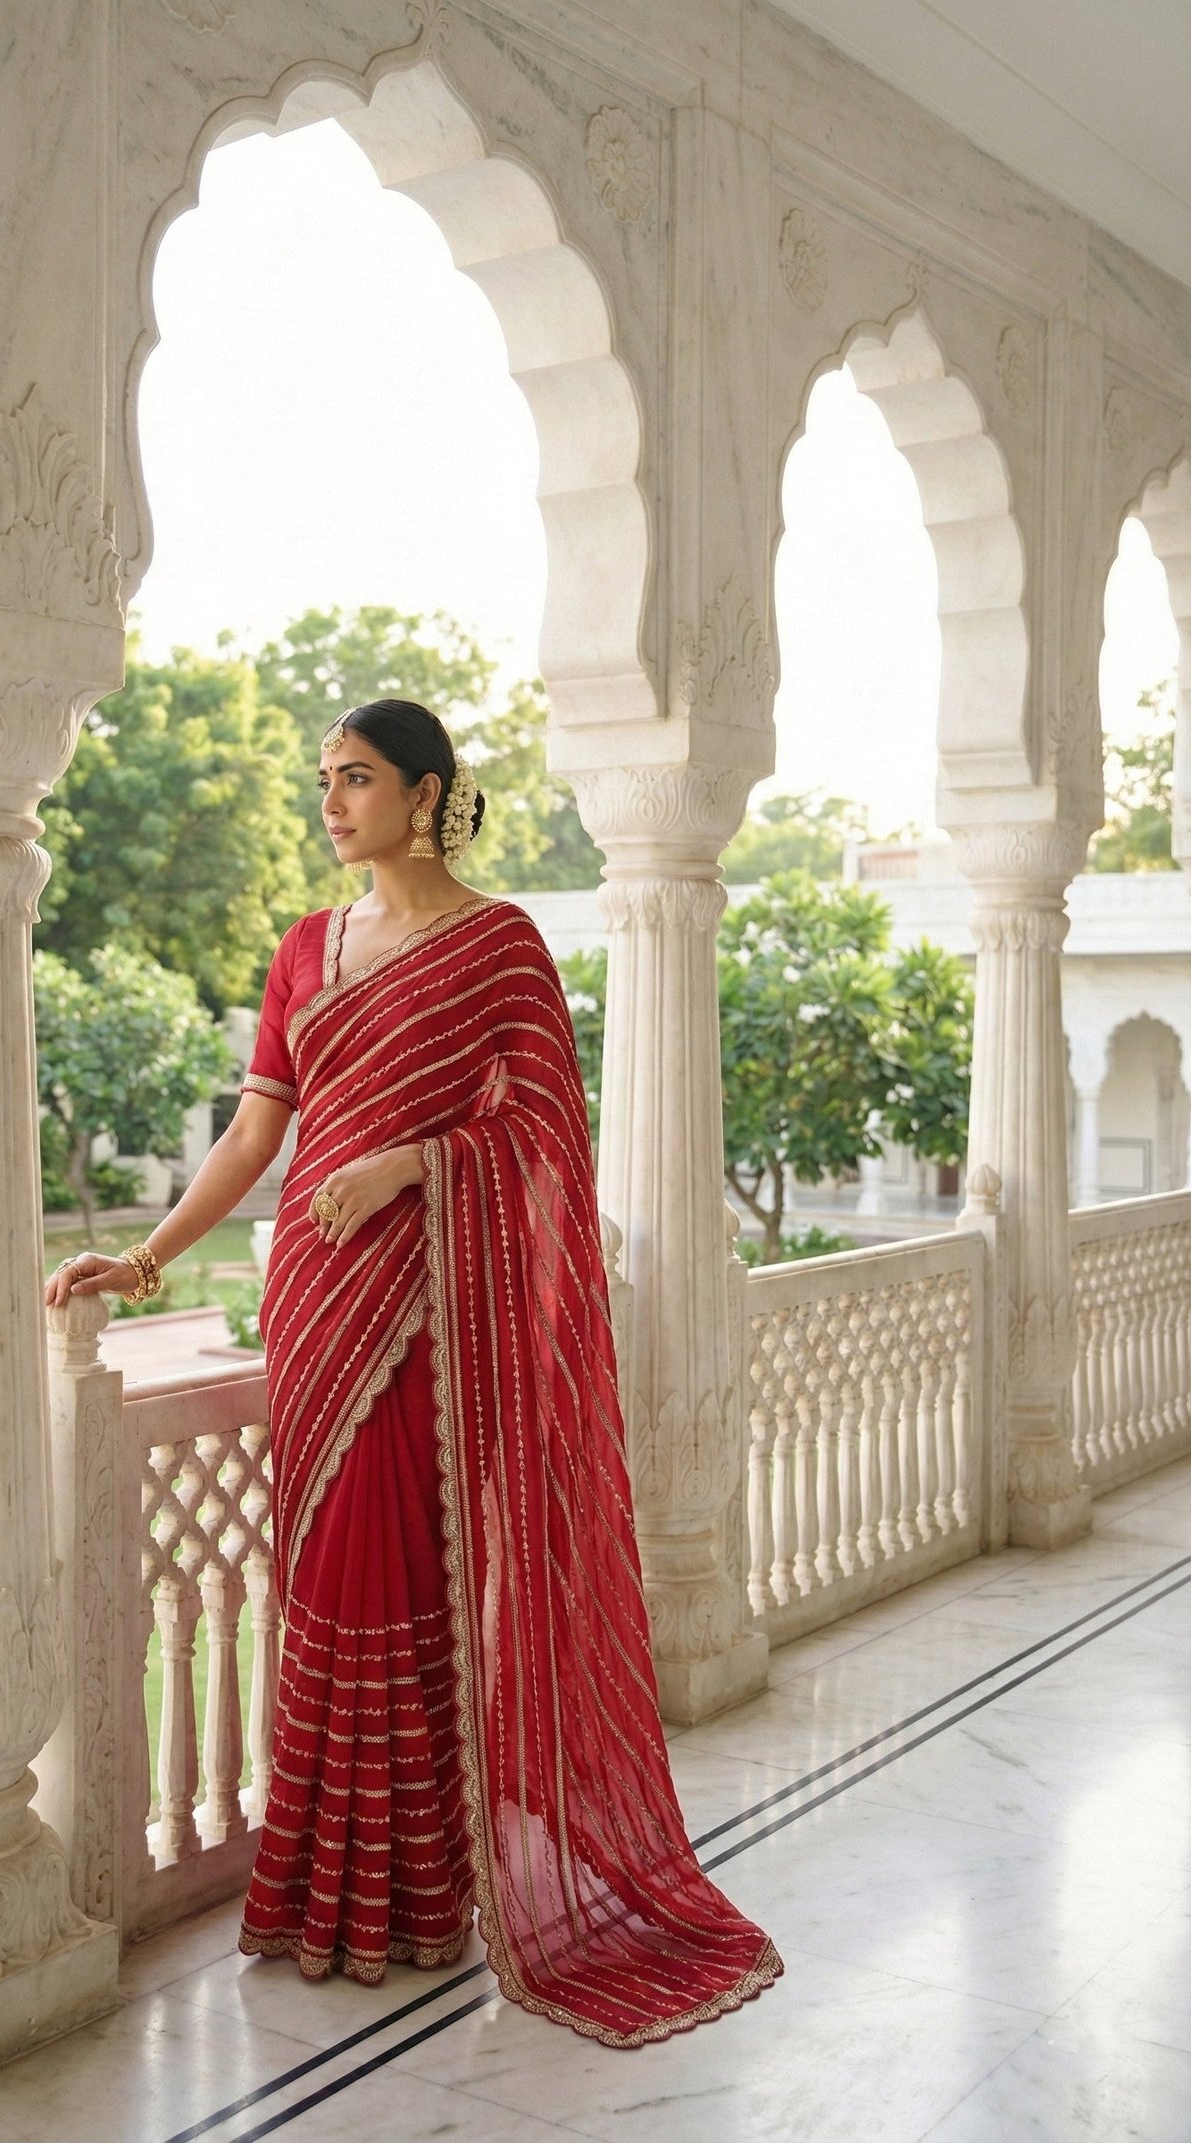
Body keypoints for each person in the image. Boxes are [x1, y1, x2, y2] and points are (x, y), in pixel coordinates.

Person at [46, 697, 782, 2046]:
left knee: (398, 1571)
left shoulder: (500, 947)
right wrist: (143, 1257)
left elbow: (548, 1140)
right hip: (315, 1302)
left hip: (426, 1306)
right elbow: (255, 1136)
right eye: (325, 779)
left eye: (357, 778)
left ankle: (411, 1893)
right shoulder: (304, 950)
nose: (332, 803)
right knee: (322, 1578)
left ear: (425, 793)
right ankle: (322, 1892)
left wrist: (410, 1164)